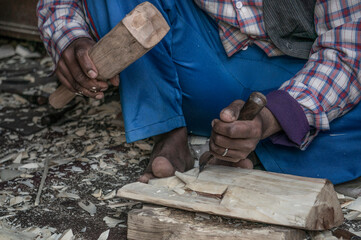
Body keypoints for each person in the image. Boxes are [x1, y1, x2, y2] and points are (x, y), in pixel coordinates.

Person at [37, 0, 361, 185]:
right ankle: (169, 127)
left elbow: (348, 54)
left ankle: (247, 142)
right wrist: (69, 37)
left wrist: (272, 115)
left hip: (296, 75)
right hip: (191, 61)